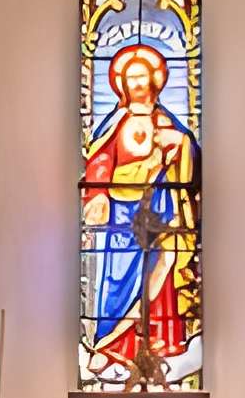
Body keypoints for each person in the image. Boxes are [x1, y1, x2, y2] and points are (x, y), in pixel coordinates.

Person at [81, 43, 195, 377]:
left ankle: (158, 344)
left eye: (143, 76)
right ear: (122, 85)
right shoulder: (116, 123)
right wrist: (98, 195)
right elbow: (100, 159)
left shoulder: (166, 121)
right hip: (121, 215)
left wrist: (180, 145)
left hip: (159, 206)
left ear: (155, 82)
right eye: (131, 78)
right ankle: (109, 346)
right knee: (118, 280)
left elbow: (188, 157)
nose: (138, 83)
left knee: (161, 268)